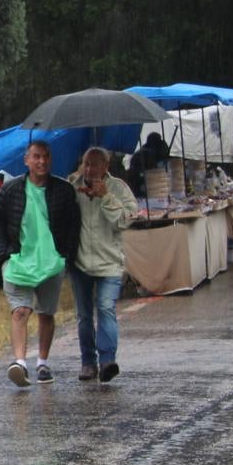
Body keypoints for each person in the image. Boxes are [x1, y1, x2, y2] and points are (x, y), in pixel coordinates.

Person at [0, 140, 80, 387]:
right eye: (36, 157)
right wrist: (5, 255)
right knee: (20, 310)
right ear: (26, 160)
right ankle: (19, 363)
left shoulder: (63, 190)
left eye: (46, 157)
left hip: (51, 263)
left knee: (46, 313)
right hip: (19, 261)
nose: (41, 162)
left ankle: (42, 362)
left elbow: (73, 225)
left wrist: (65, 256)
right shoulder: (10, 191)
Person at [67, 146, 138, 383]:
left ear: (105, 167)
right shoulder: (73, 186)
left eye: (94, 164)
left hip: (109, 262)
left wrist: (105, 197)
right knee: (84, 315)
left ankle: (107, 360)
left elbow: (123, 222)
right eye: (86, 163)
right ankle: (88, 362)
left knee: (106, 308)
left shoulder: (118, 188)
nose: (89, 169)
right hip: (80, 261)